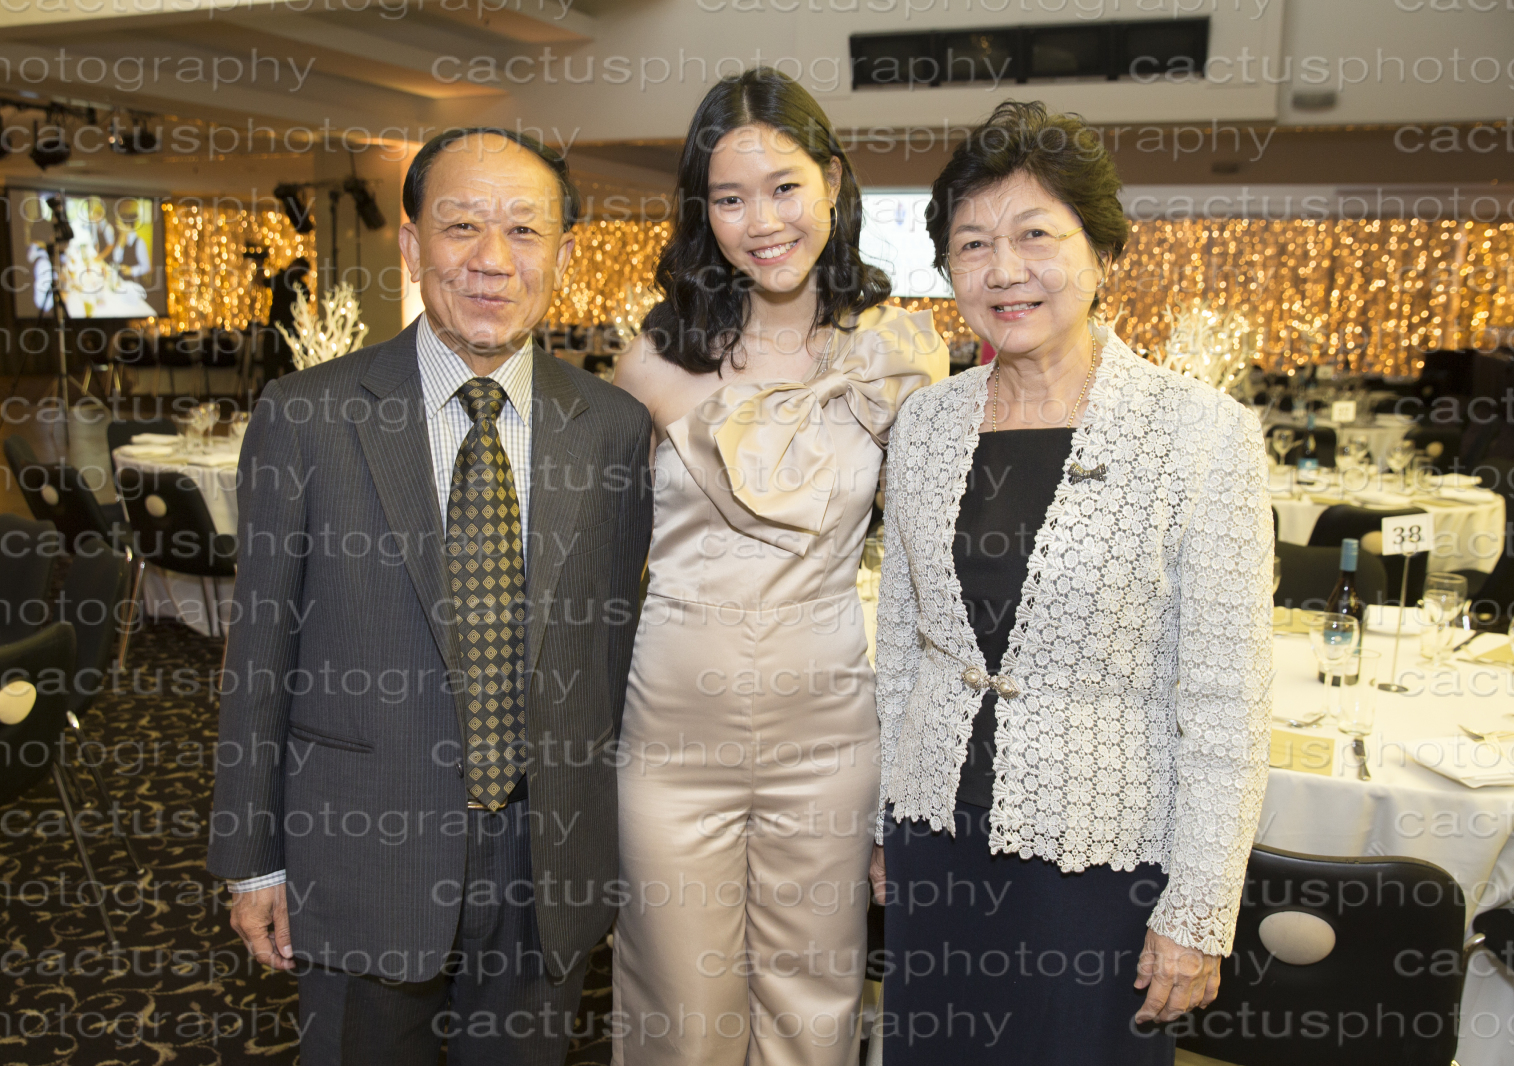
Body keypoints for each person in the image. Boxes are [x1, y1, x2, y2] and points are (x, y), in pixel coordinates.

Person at [208, 128, 655, 1066]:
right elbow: (258, 658)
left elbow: (611, 653)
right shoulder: (307, 415)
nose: (493, 259)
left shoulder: (613, 428)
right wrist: (252, 858)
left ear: (564, 253)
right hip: (361, 847)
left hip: (545, 859)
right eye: (461, 226)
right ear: (412, 246)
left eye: (525, 230)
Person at [870, 101, 1272, 1064]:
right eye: (972, 245)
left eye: (1035, 235)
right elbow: (902, 653)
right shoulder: (926, 424)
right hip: (937, 841)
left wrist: (1200, 910)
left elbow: (1227, 699)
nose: (1003, 269)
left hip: (1101, 859)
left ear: (1101, 251)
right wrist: (886, 820)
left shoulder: (1199, 433)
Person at [610, 68, 947, 1065]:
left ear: (832, 181)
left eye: (785, 186)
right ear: (701, 210)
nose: (762, 221)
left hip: (828, 732)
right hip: (672, 733)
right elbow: (601, 564)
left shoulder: (896, 356)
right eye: (729, 197)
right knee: (681, 1012)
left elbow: (929, 584)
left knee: (815, 1002)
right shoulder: (651, 360)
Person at [253, 255, 312, 379]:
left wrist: (259, 265)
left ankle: (272, 391)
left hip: (275, 328)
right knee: (290, 370)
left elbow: (260, 282)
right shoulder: (301, 286)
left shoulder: (282, 279)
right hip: (291, 330)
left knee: (271, 368)